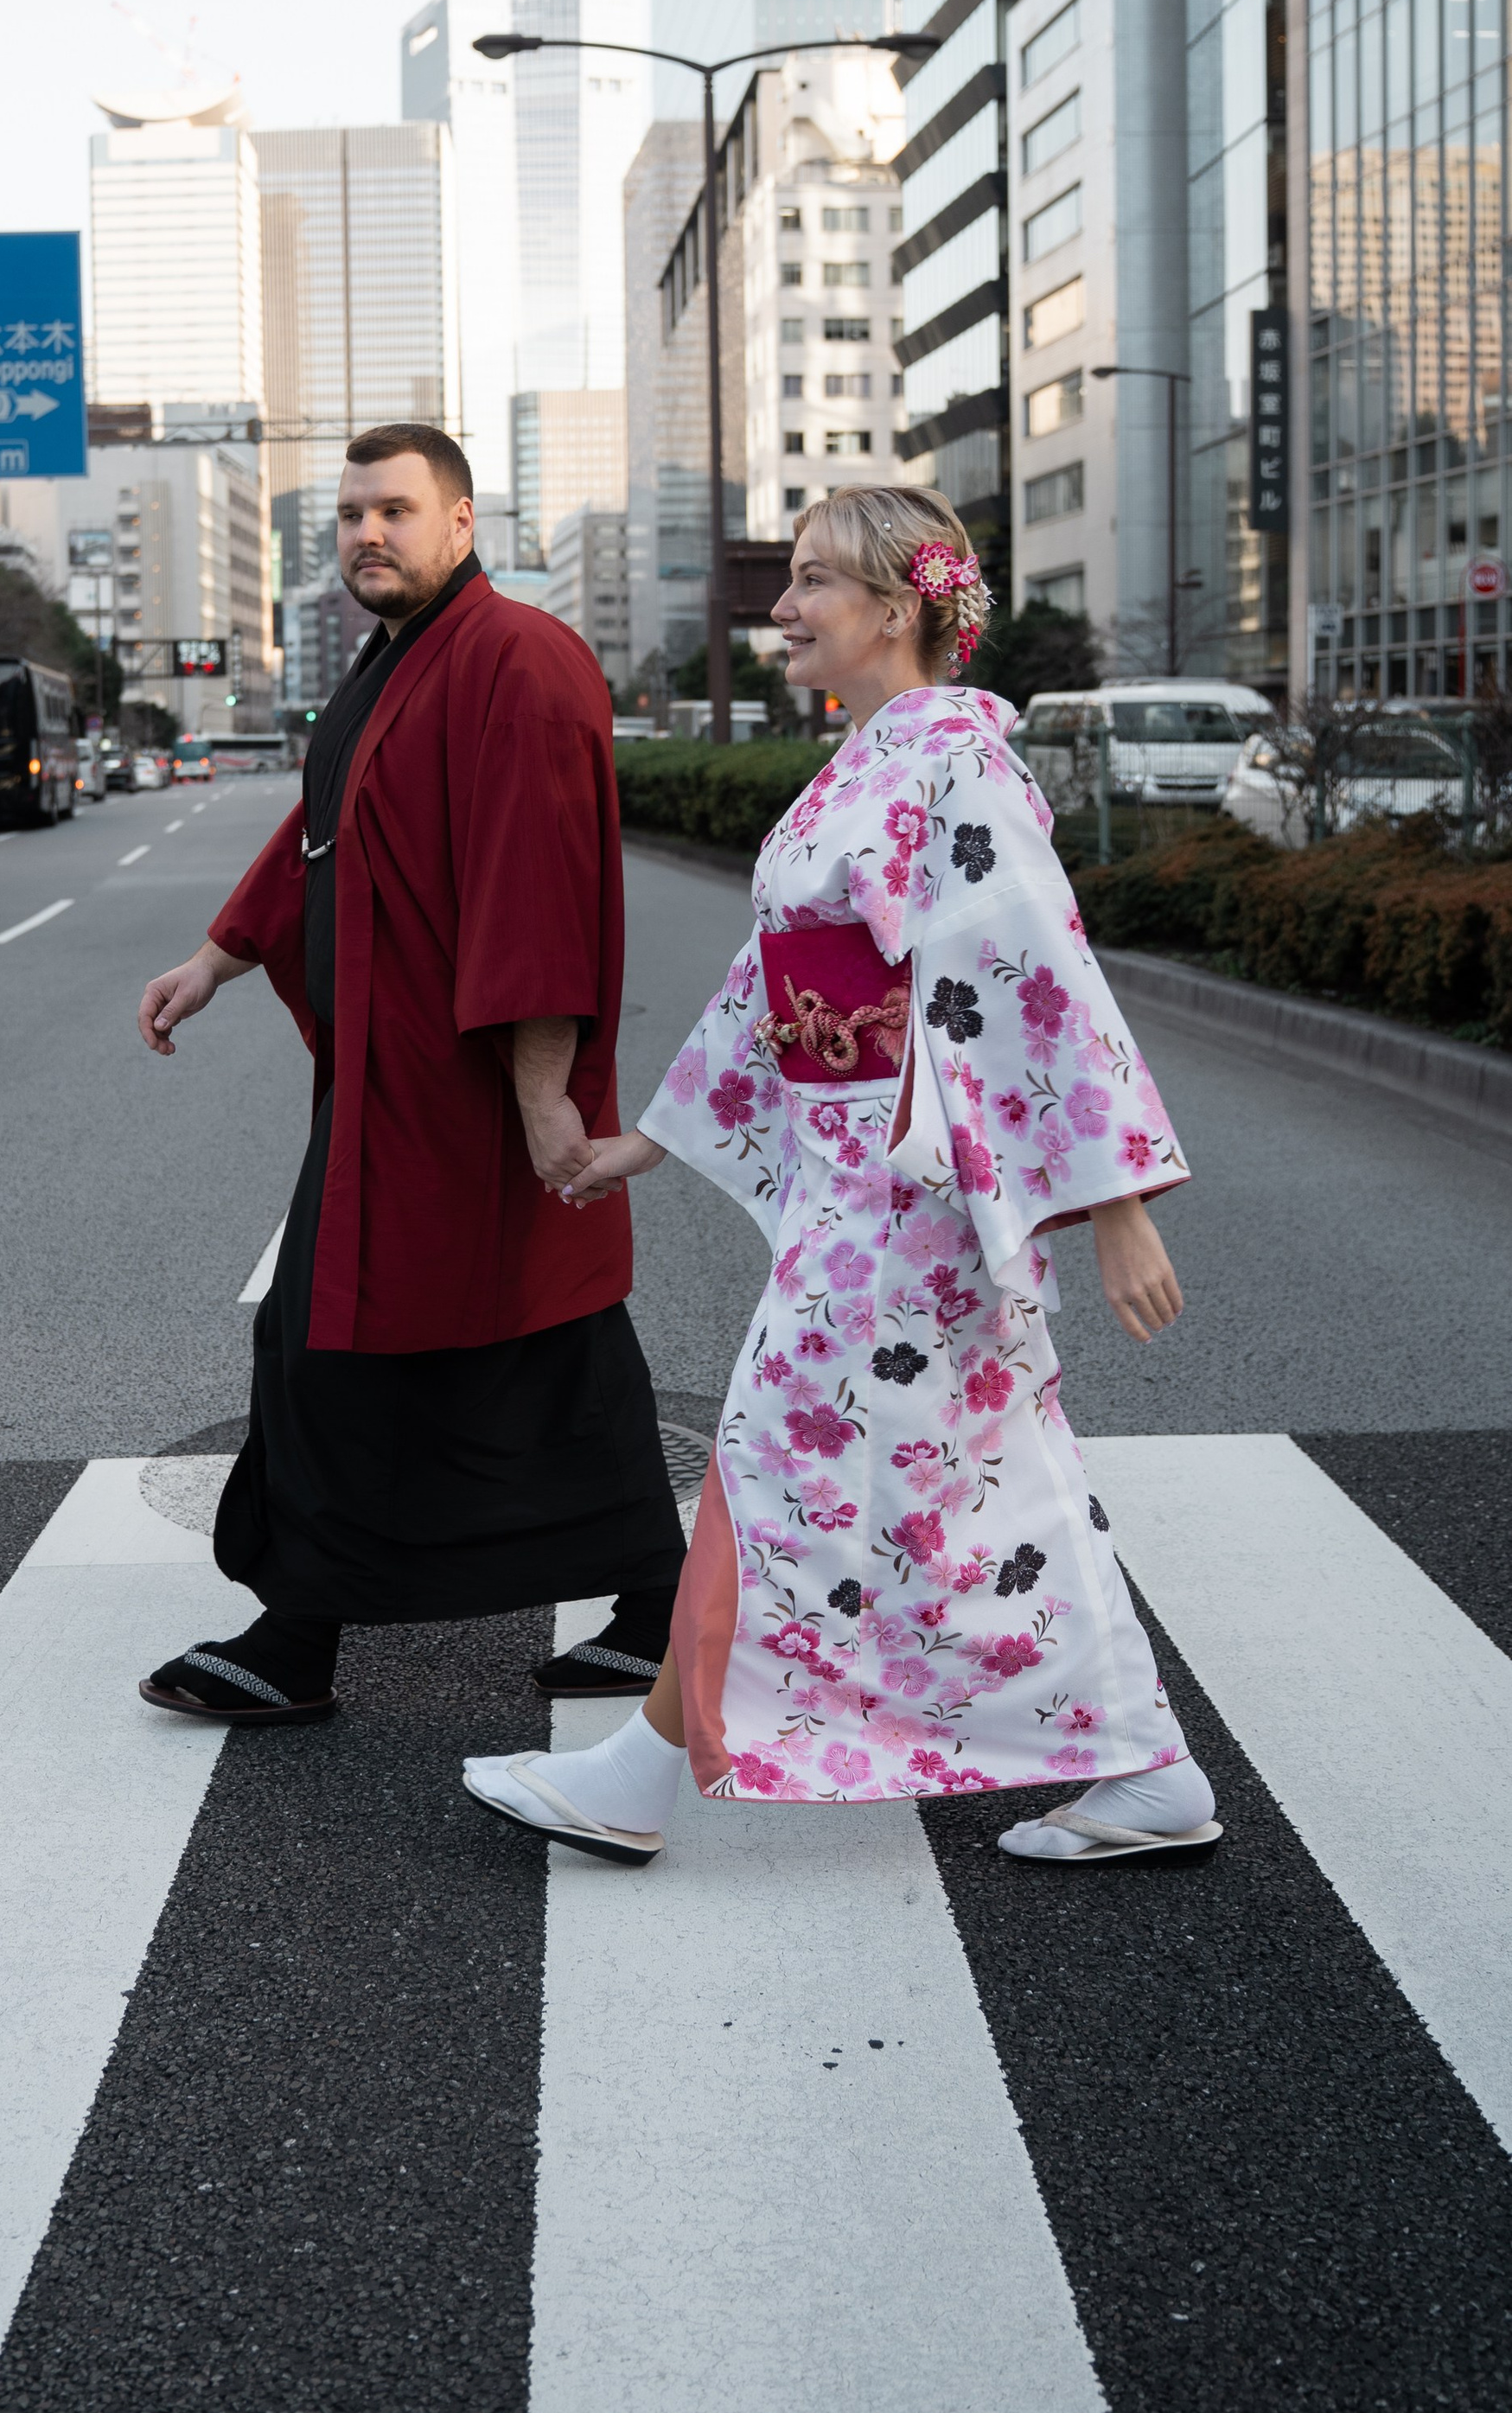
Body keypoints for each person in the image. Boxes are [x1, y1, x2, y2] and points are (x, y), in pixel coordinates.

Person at [463, 480, 1222, 1868]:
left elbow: (1034, 972)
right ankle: (1152, 1770)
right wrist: (651, 1139)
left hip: (908, 1195)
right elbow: (767, 985)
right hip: (856, 1179)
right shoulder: (874, 758)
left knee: (777, 1450)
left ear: (895, 607)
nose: (786, 606)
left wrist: (1115, 1205)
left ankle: (638, 1773)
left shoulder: (954, 763)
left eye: (813, 579)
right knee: (983, 1482)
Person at [133, 423, 686, 1723]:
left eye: (395, 509)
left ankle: (298, 1634)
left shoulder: (519, 660)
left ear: (462, 522)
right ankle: (659, 1604)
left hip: (463, 1092)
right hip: (392, 1083)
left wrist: (542, 1100)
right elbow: (328, 826)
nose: (368, 533)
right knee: (543, 1347)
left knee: (337, 1345)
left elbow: (538, 891)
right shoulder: (401, 661)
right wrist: (217, 957)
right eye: (350, 515)